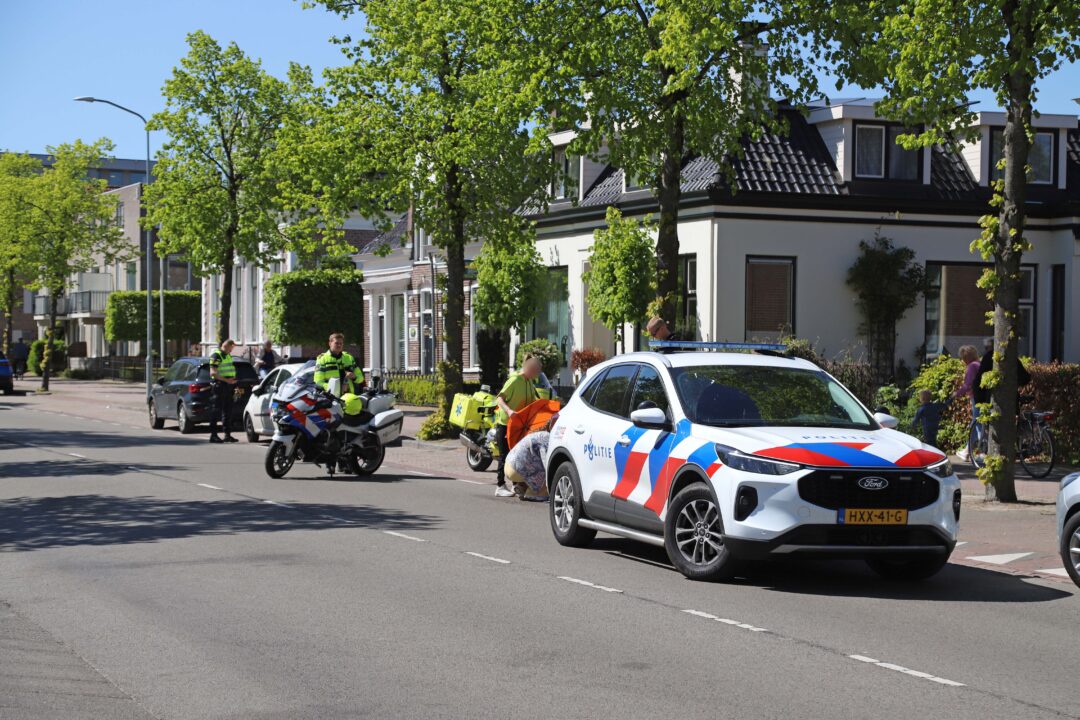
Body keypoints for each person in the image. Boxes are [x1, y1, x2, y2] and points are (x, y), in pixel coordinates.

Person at [493, 354, 542, 497]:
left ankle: (516, 486)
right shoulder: (514, 380)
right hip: (506, 423)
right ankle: (500, 486)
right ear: (529, 369)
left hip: (519, 426)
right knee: (505, 456)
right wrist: (509, 411)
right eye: (536, 372)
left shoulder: (529, 383)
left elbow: (533, 402)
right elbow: (499, 399)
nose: (537, 375)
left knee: (518, 456)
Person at [505, 413, 559, 501]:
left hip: (508, 465)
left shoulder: (539, 433)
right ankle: (536, 494)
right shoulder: (547, 437)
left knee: (532, 461)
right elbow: (546, 461)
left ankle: (522, 487)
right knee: (546, 468)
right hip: (517, 470)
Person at [314, 332, 364, 414]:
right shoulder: (322, 359)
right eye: (336, 343)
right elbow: (318, 381)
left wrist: (354, 377)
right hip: (331, 399)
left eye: (341, 343)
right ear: (330, 343)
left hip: (349, 398)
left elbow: (360, 379)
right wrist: (335, 388)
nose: (339, 345)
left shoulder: (349, 358)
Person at [208, 339, 239, 444]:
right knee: (216, 411)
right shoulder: (216, 356)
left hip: (228, 386)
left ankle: (227, 435)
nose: (232, 350)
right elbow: (213, 373)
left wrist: (233, 383)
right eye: (232, 348)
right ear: (228, 346)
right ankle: (213, 435)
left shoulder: (227, 355)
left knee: (227, 411)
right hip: (220, 386)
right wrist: (227, 380)